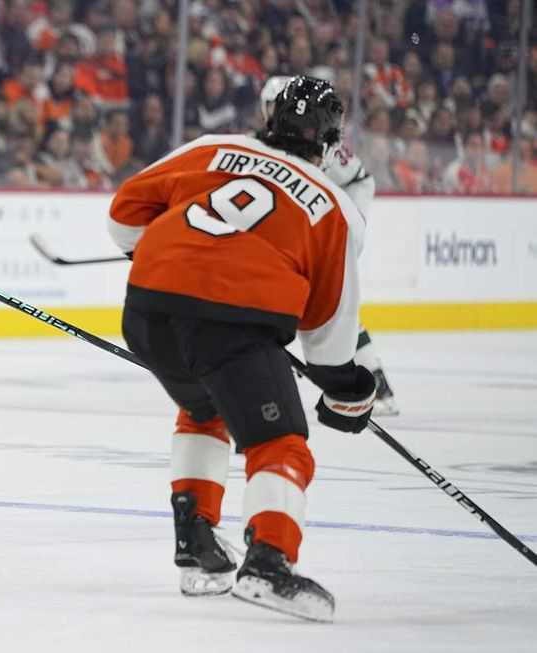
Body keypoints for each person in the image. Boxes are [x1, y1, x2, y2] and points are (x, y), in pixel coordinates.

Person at [109, 76, 375, 622]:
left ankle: (197, 544)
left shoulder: (211, 148)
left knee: (205, 406)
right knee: (280, 442)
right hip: (229, 324)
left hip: (147, 311)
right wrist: (348, 391)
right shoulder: (335, 207)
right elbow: (327, 336)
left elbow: (124, 214)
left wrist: (170, 253)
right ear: (328, 141)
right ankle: (269, 563)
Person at [260, 75, 398, 415]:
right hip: (315, 215)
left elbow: (355, 180)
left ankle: (374, 379)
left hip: (348, 205)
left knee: (329, 295)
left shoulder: (320, 145)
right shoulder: (273, 140)